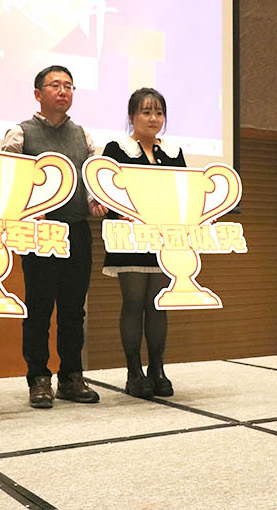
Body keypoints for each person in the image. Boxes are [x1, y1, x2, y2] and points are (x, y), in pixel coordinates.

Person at [1, 65, 108, 409]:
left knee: (74, 309)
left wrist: (95, 201)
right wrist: (27, 208)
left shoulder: (83, 136)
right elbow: (8, 177)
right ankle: (38, 378)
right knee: (39, 307)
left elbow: (92, 179)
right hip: (39, 233)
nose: (63, 91)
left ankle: (71, 376)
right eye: (55, 85)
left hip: (76, 229)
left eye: (69, 86)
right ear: (38, 94)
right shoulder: (21, 133)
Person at [101, 88, 186, 397]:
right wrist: (117, 211)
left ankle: (158, 369)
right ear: (132, 116)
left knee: (158, 304)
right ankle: (134, 371)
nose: (153, 118)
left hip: (163, 239)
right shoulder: (116, 149)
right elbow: (105, 189)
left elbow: (184, 193)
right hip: (130, 238)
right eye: (146, 112)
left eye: (159, 113)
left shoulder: (173, 152)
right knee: (134, 303)